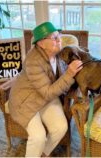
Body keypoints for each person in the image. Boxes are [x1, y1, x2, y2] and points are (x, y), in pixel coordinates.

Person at [8, 22, 83, 157]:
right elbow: (48, 92)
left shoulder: (58, 53)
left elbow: (55, 84)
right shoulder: (33, 61)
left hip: (45, 95)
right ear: (41, 43)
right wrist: (69, 74)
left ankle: (43, 153)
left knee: (60, 127)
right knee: (38, 137)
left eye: (58, 35)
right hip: (26, 101)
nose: (59, 39)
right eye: (54, 37)